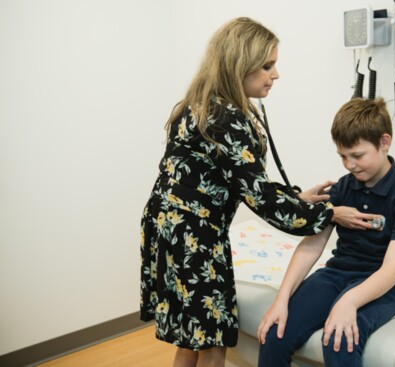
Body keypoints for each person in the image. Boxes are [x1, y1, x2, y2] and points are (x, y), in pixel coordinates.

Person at [140, 17, 378, 367]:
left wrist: (296, 200)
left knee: (190, 336)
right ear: (241, 65)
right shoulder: (228, 119)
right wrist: (329, 213)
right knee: (212, 340)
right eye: (267, 65)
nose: (275, 74)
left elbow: (239, 180)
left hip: (166, 230)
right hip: (194, 236)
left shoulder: (198, 105)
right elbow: (261, 199)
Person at [257, 97, 395, 367]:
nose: (349, 164)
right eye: (343, 156)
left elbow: (393, 269)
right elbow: (312, 246)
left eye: (357, 155)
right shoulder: (343, 188)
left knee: (339, 339)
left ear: (384, 142)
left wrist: (349, 302)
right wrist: (282, 298)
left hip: (384, 283)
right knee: (275, 333)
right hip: (338, 273)